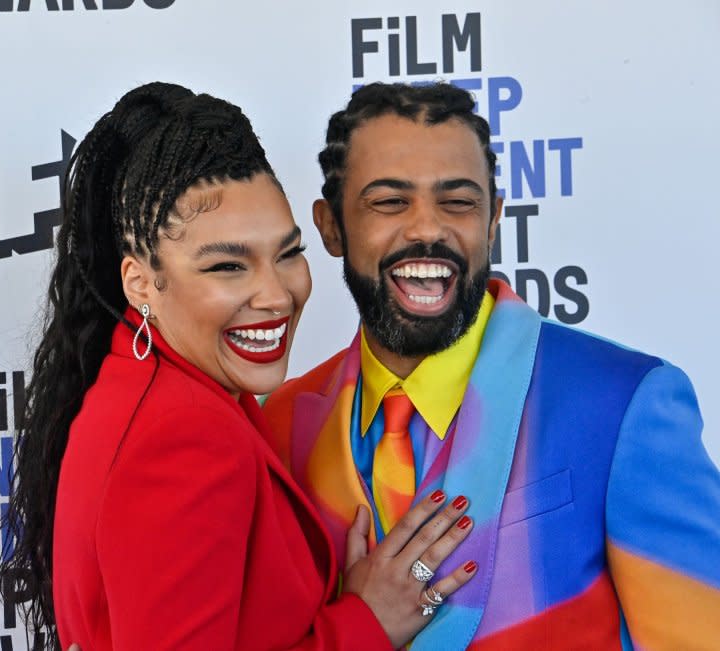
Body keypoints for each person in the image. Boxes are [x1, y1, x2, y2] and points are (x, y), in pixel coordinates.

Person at [0, 81, 483, 651]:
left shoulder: (155, 379)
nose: (276, 295)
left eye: (287, 253)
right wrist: (365, 624)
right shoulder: (183, 434)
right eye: (228, 266)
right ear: (140, 281)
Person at [262, 82, 720, 650]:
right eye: (389, 201)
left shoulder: (626, 402)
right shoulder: (278, 425)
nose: (427, 229)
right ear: (330, 225)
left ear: (494, 219)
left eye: (458, 202)